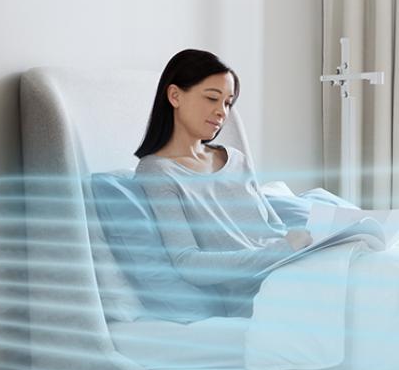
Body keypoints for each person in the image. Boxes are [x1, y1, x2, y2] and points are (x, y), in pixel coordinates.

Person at [133, 49, 313, 307]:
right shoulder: (158, 172)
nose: (222, 112)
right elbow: (188, 263)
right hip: (261, 292)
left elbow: (275, 231)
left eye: (228, 103)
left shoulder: (236, 159)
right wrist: (282, 250)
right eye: (211, 98)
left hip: (293, 270)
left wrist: (302, 246)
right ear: (175, 96)